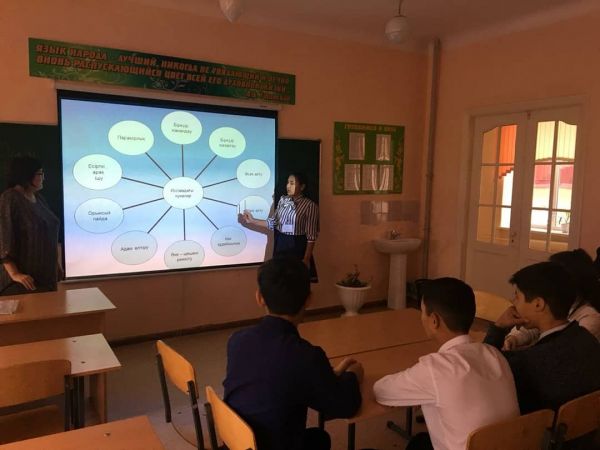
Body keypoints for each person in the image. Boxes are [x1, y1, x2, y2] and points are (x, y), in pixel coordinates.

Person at [223, 257, 362, 450]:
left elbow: (275, 379)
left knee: (319, 438)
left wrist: (328, 376)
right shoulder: (306, 356)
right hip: (275, 444)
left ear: (259, 297)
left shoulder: (237, 341)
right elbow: (344, 407)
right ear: (309, 300)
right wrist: (353, 375)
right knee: (319, 439)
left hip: (237, 442)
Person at [373, 278, 519, 450]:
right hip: (511, 445)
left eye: (422, 312)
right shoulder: (495, 354)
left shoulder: (436, 368)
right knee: (420, 442)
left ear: (434, 320)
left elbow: (381, 391)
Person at [484, 262, 600, 414]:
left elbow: (482, 369)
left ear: (538, 304)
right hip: (583, 425)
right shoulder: (587, 339)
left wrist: (498, 328)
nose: (513, 302)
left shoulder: (526, 362)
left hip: (534, 427)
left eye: (517, 296)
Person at [504, 249, 600, 349]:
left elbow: (565, 349)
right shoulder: (558, 303)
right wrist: (514, 338)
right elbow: (535, 325)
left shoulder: (590, 318)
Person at [0, 156, 62, 295]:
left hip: (46, 277)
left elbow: (47, 233)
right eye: (40, 173)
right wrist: (15, 274)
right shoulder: (10, 198)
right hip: (24, 281)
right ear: (26, 175)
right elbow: (4, 236)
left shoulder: (39, 199)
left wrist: (55, 265)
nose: (43, 178)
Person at [242, 173, 319, 281]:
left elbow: (311, 237)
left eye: (292, 183)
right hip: (281, 244)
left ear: (302, 187)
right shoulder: (283, 201)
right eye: (287, 183)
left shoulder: (310, 206)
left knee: (295, 281)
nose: (288, 186)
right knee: (280, 280)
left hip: (297, 246)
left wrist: (306, 259)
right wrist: (253, 220)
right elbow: (273, 223)